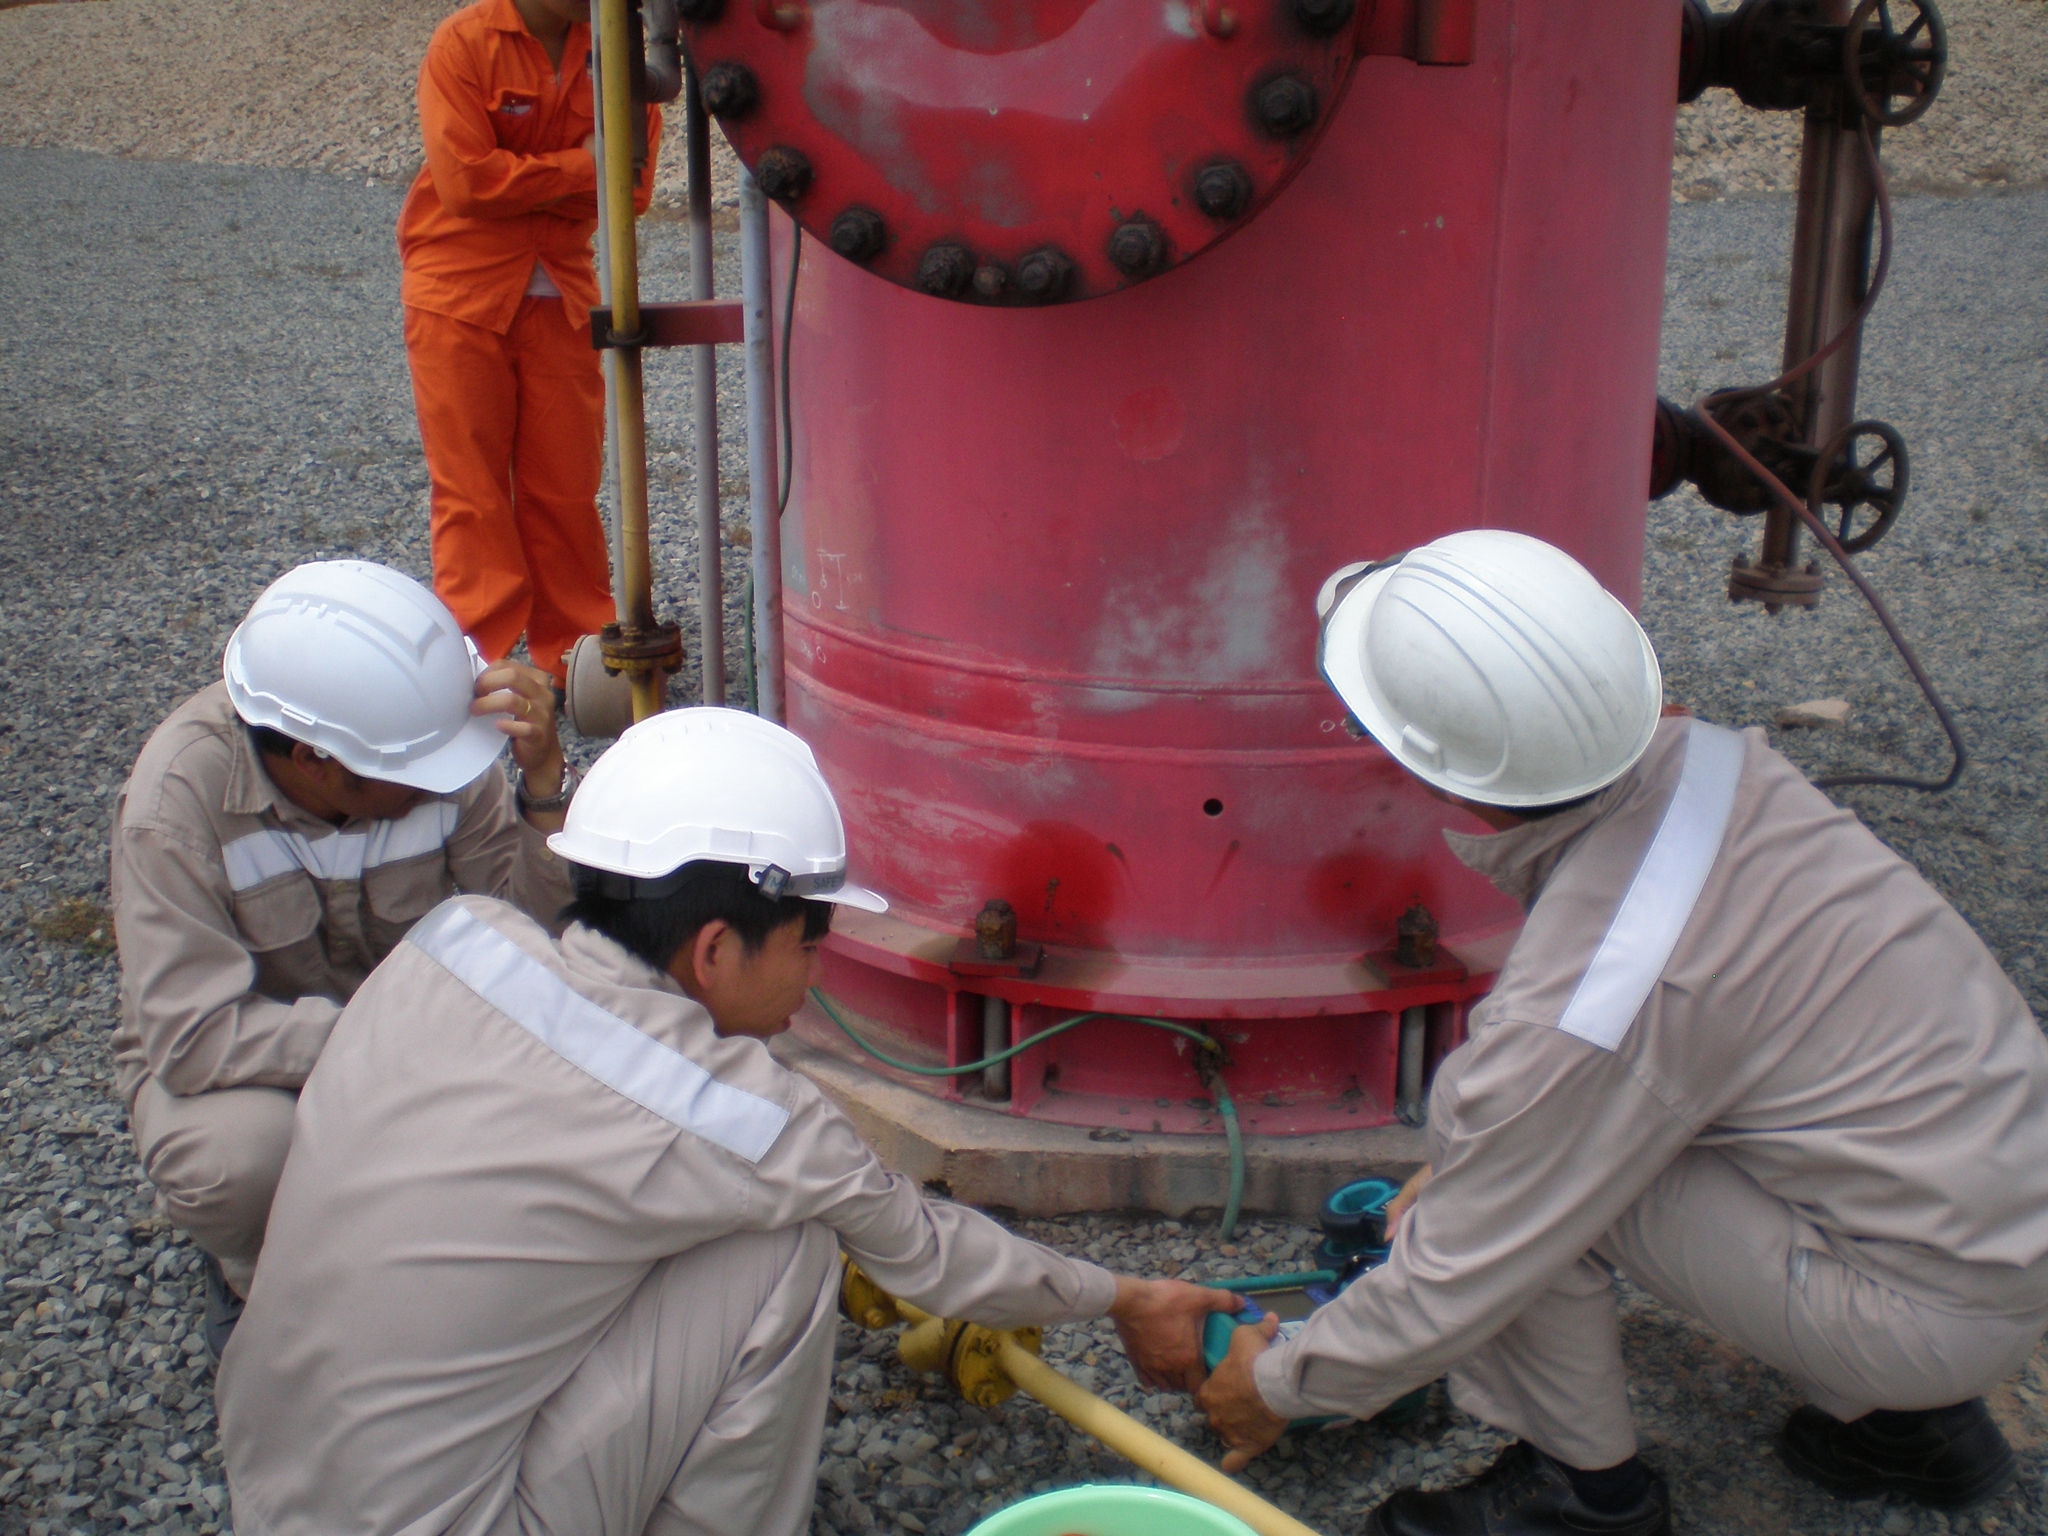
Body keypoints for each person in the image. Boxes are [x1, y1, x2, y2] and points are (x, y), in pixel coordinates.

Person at [1194, 530, 2048, 1536]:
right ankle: (1919, 1434)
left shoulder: (1588, 1009)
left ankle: (1588, 1503)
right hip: (1993, 1217)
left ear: (1416, 763)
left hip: (1932, 1310)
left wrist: (1283, 1382)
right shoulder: (1714, 764)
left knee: (1507, 1200)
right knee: (1532, 1149)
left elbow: (1468, 1261)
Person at [216, 706, 1234, 1535]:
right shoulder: (746, 1120)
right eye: (807, 941)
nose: (815, 971)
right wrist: (1123, 1296)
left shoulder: (453, 940)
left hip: (266, 1466)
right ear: (713, 951)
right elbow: (933, 1259)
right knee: (784, 1248)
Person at [110, 560, 577, 1348]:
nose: (441, 783)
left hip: (426, 1039)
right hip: (261, 1072)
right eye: (413, 774)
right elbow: (194, 1041)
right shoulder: (175, 809)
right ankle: (264, 1284)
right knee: (239, 1163)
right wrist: (401, 1034)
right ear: (315, 762)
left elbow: (534, 940)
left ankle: (409, 1260)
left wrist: (543, 788)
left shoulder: (429, 757)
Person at [401, 0, 661, 685]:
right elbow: (463, 184)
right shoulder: (464, 43)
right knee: (471, 487)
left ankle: (575, 657)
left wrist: (522, 173)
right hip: (458, 295)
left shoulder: (619, 48)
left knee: (566, 485)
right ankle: (474, 657)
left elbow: (630, 188)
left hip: (562, 299)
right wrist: (580, 168)